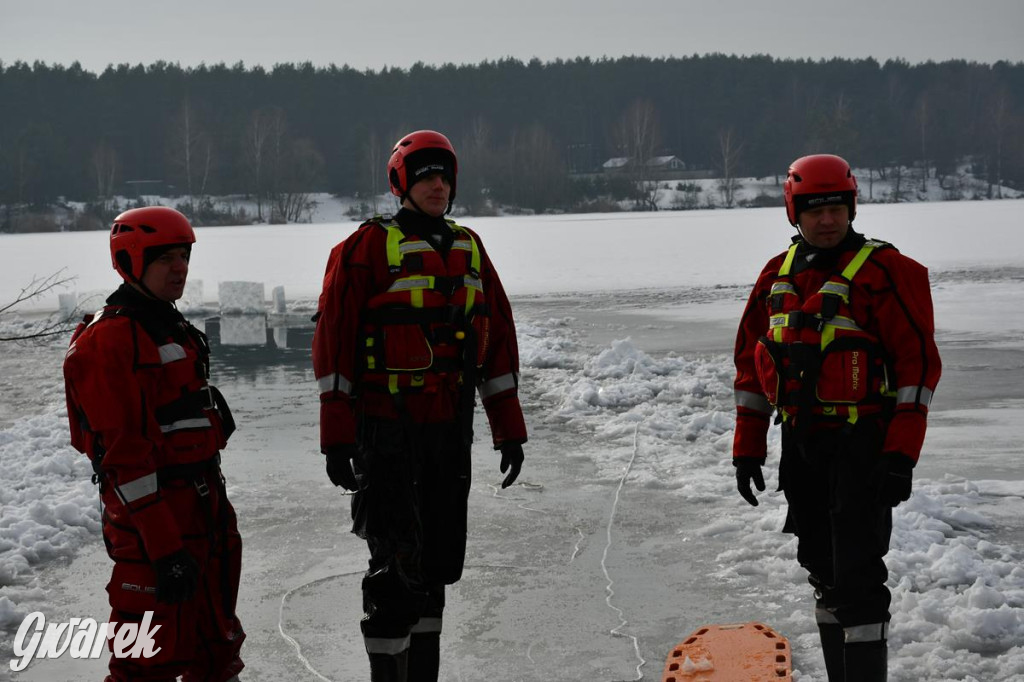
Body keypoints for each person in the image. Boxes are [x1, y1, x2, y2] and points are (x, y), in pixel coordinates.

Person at [312, 129, 527, 681]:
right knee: (392, 566)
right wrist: (336, 437)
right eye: (426, 175)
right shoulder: (363, 250)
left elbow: (496, 343)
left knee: (435, 564)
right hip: (385, 433)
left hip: (448, 432)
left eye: (445, 175)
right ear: (402, 183)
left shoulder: (470, 248)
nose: (437, 184)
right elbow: (333, 345)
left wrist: (509, 429)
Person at [731, 154, 941, 681]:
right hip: (802, 444)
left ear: (852, 206)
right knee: (821, 569)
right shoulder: (775, 276)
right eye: (814, 209)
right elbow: (750, 369)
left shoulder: (886, 272)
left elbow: (918, 368)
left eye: (836, 208)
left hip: (864, 444)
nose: (827, 220)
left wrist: (900, 454)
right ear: (793, 211)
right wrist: (747, 448)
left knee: (858, 574)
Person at [63, 206, 245, 682]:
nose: (180, 268)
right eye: (165, 258)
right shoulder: (109, 341)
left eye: (183, 256)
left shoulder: (171, 327)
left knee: (217, 647)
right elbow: (124, 460)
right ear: (131, 261)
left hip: (204, 513)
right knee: (146, 662)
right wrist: (164, 549)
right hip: (152, 528)